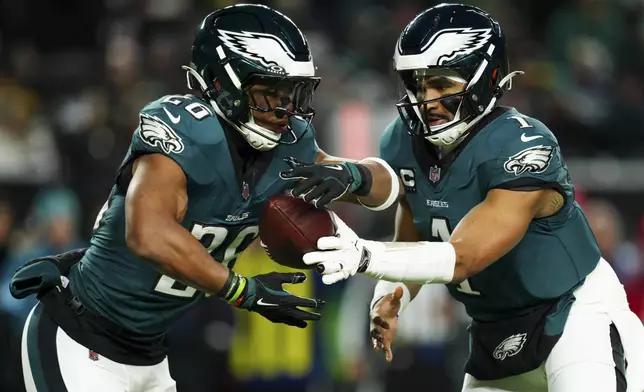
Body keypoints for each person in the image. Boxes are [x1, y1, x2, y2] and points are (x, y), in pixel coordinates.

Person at [9, 4, 399, 392]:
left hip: (150, 354)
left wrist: (354, 174)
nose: (285, 110)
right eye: (268, 93)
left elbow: (388, 187)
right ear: (221, 84)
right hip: (80, 336)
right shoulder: (185, 132)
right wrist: (241, 290)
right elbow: (148, 234)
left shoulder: (291, 145)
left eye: (292, 94)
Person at [299, 4, 644, 391]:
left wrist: (364, 256)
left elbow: (464, 256)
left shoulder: (521, 144)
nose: (425, 99)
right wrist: (391, 293)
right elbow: (416, 230)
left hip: (574, 319)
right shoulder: (403, 140)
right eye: (416, 83)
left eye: (441, 85)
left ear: (485, 78)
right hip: (494, 336)